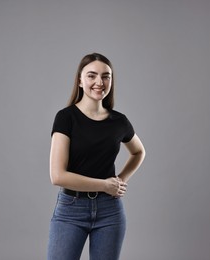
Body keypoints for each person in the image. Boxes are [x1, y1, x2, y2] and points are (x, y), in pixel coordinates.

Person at [47, 53, 145, 260]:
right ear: (80, 81)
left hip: (110, 211)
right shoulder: (66, 118)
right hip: (71, 210)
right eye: (92, 76)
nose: (99, 82)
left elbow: (138, 152)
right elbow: (58, 176)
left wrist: (120, 180)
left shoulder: (119, 121)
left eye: (106, 76)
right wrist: (104, 185)